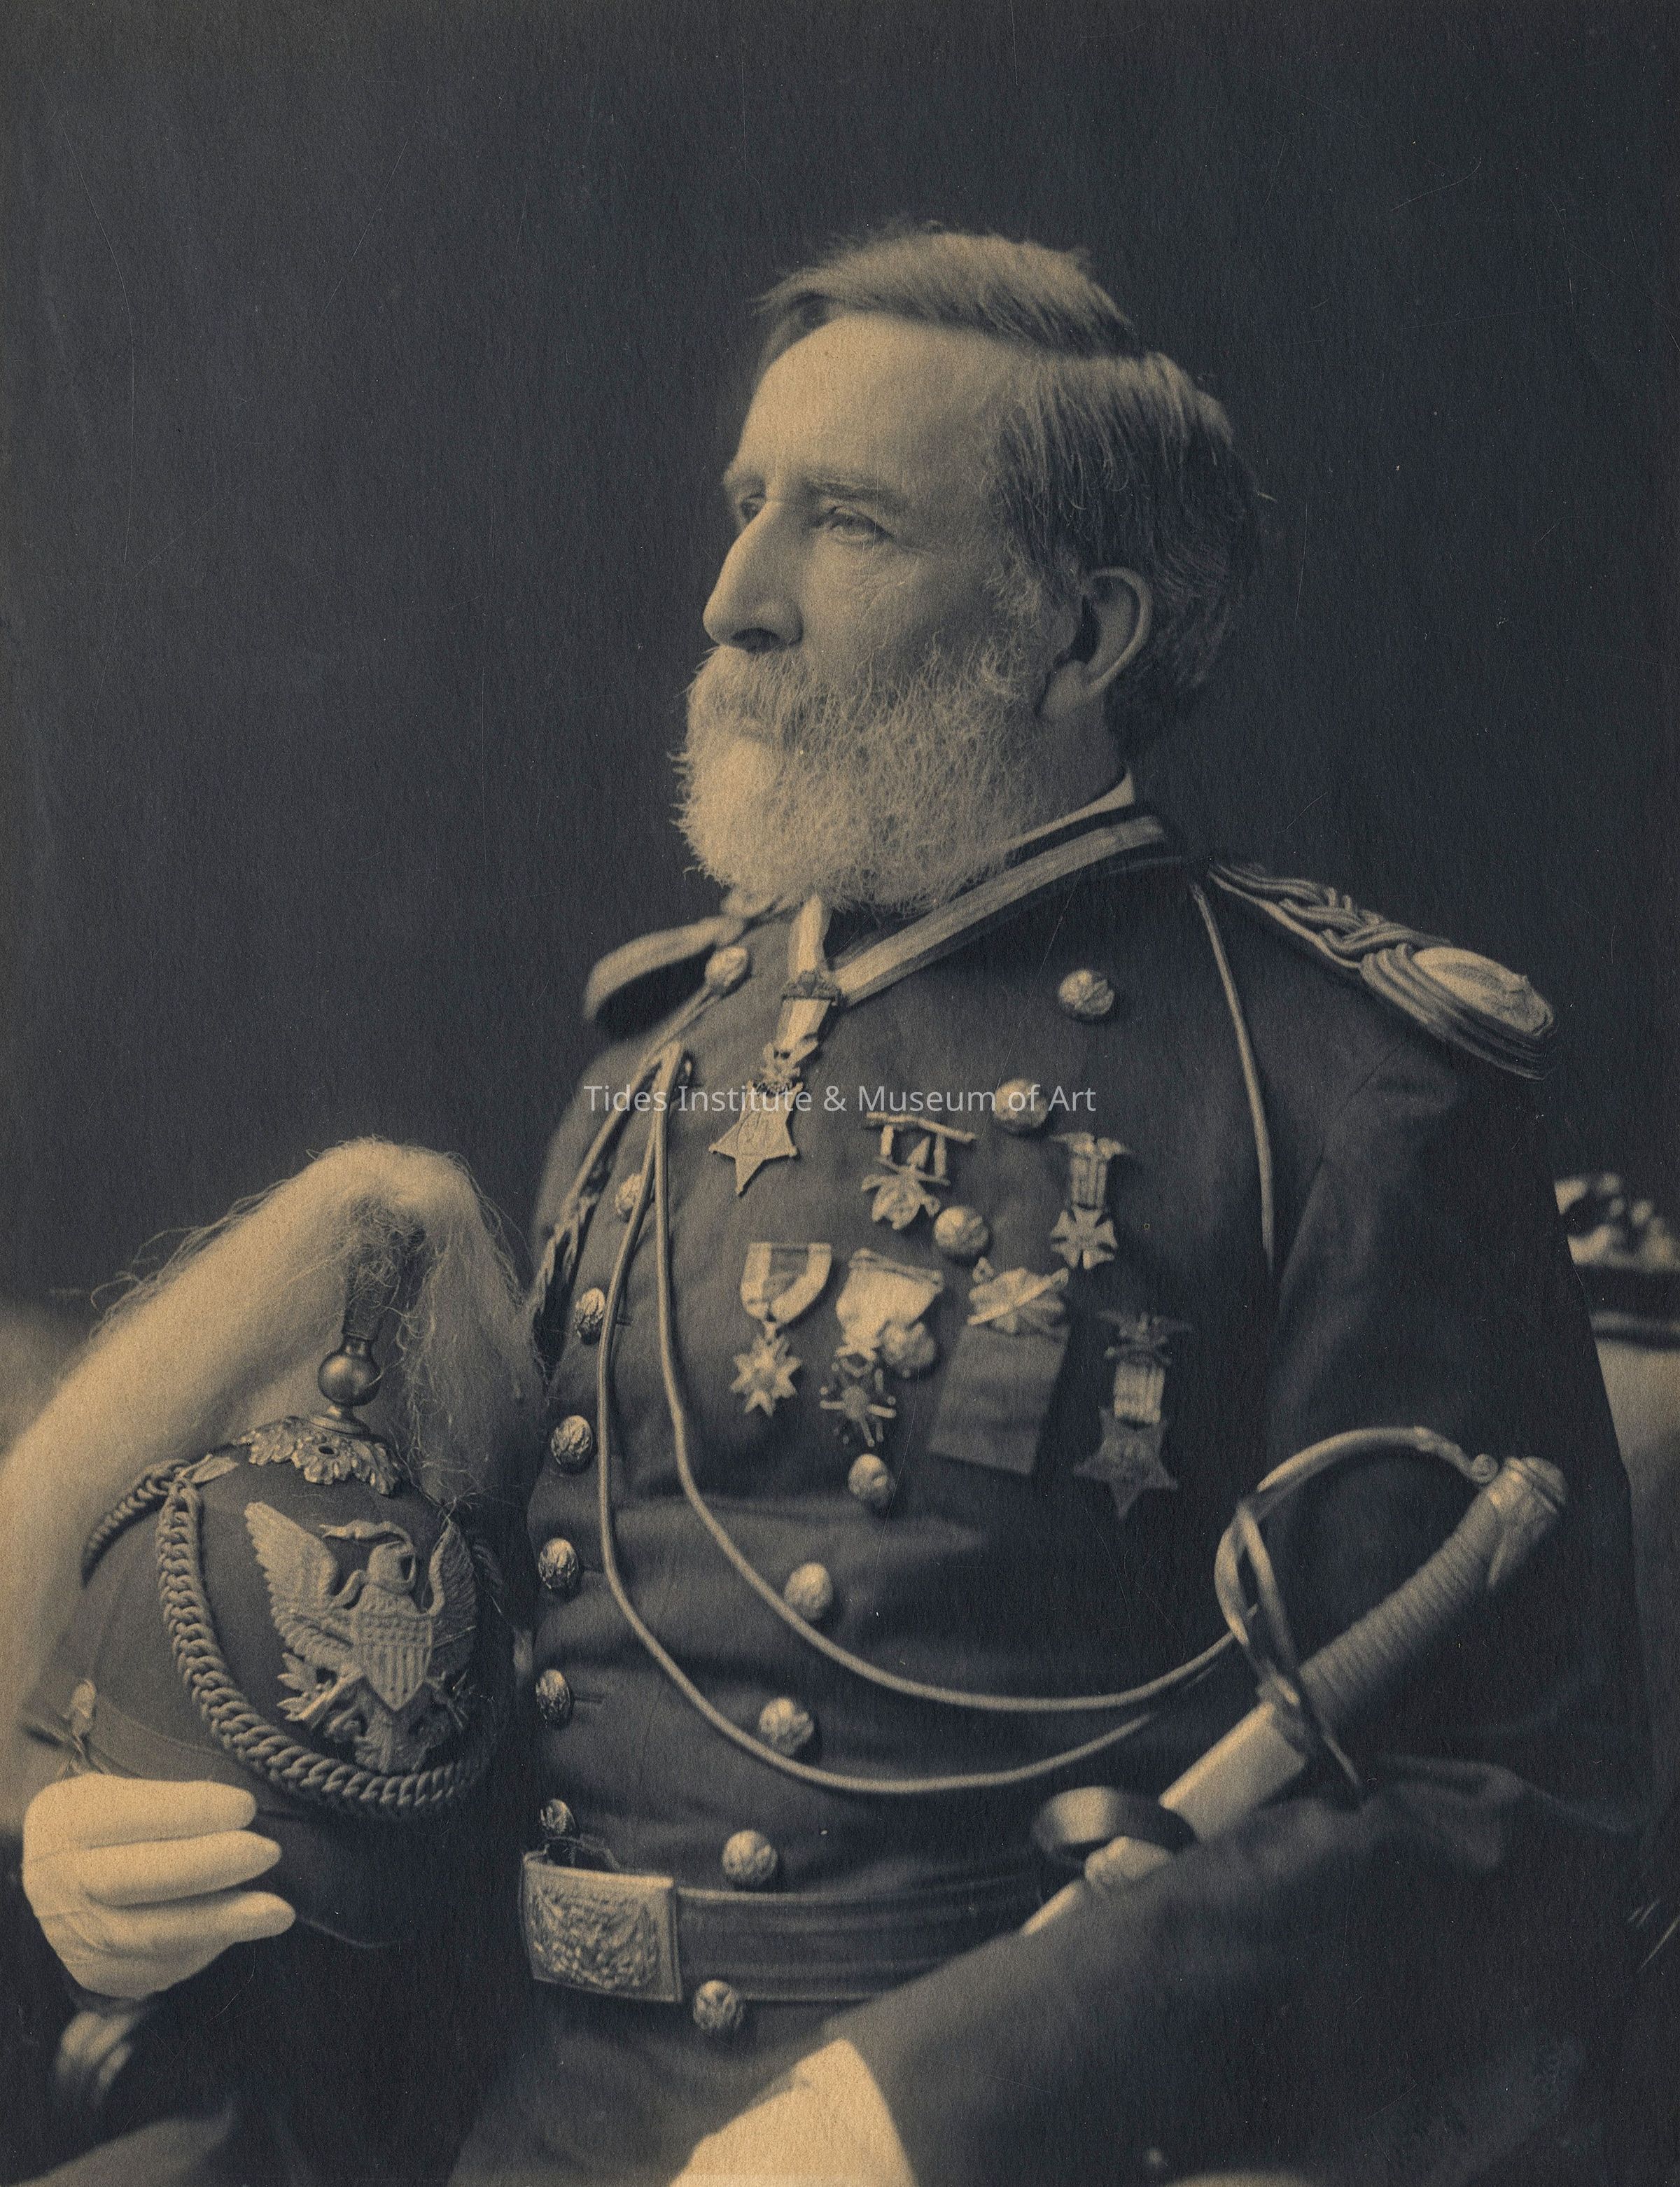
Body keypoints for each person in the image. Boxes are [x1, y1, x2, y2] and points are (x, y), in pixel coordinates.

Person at [8, 228, 1648, 2186]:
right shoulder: (652, 1066)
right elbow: (510, 1696)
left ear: (1082, 636)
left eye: (848, 524)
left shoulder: (1345, 1086)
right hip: (533, 2114)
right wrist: (129, 1822)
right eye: (746, 508)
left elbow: (1501, 1814)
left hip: (1011, 2136)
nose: (735, 600)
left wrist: (916, 2110)